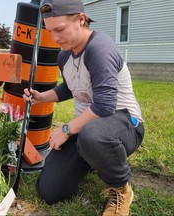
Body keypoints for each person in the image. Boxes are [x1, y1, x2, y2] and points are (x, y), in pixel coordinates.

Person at [22, 0, 145, 215]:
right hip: (88, 129)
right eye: (50, 31)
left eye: (60, 29)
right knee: (49, 191)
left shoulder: (99, 49)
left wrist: (66, 129)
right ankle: (93, 157)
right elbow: (71, 88)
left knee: (93, 136)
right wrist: (42, 97)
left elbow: (105, 106)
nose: (55, 38)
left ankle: (121, 188)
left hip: (124, 124)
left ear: (80, 19)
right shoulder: (64, 54)